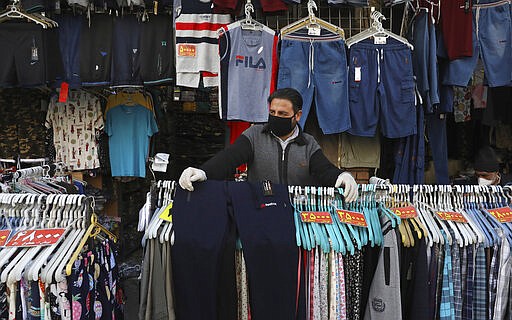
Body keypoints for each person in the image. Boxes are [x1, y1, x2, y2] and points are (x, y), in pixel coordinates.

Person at [178, 87, 359, 202]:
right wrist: (203, 171)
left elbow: (323, 169)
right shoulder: (255, 135)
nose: (276, 117)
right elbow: (229, 158)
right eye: (272, 112)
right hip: (261, 209)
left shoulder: (308, 143)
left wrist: (342, 175)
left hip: (297, 213)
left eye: (282, 113)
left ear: (297, 116)